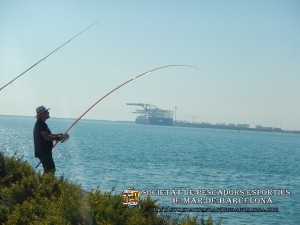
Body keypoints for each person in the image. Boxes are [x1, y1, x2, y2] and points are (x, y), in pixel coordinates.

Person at [33, 106, 69, 174]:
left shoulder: (41, 123)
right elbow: (46, 137)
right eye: (46, 111)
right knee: (51, 170)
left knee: (48, 170)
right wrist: (58, 138)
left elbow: (49, 135)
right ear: (41, 114)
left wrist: (58, 135)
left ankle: (44, 183)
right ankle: (46, 184)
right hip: (43, 152)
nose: (48, 112)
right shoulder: (41, 124)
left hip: (44, 152)